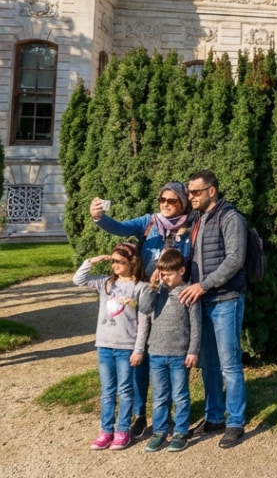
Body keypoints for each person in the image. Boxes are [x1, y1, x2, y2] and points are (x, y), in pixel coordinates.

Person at [88, 181, 193, 436]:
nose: (165, 205)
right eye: (162, 200)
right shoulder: (149, 222)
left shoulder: (191, 226)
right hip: (146, 296)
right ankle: (140, 413)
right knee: (141, 356)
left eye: (172, 201)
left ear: (182, 203)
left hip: (175, 299)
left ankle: (169, 414)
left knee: (171, 355)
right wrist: (99, 217)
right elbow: (119, 227)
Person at [177, 170, 248, 448]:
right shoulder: (196, 218)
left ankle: (235, 422)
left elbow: (235, 259)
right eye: (189, 192)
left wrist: (203, 285)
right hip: (202, 301)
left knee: (230, 364)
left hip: (225, 299)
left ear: (211, 191)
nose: (190, 197)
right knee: (209, 365)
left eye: (195, 192)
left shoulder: (230, 217)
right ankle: (214, 417)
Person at [73, 241, 151, 451]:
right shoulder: (106, 283)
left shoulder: (141, 287)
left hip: (126, 347)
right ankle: (106, 430)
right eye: (113, 261)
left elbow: (143, 321)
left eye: (120, 262)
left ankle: (122, 430)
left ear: (132, 262)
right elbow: (78, 280)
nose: (115, 265)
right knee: (107, 390)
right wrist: (91, 261)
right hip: (105, 345)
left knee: (125, 390)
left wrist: (139, 349)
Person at [144, 248, 201, 453]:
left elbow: (196, 326)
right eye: (162, 274)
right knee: (160, 395)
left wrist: (193, 351)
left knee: (180, 395)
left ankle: (180, 432)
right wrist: (152, 287)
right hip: (156, 352)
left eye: (168, 274)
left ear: (181, 271)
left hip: (179, 354)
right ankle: (159, 431)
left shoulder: (188, 293)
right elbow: (144, 308)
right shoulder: (158, 292)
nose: (164, 278)